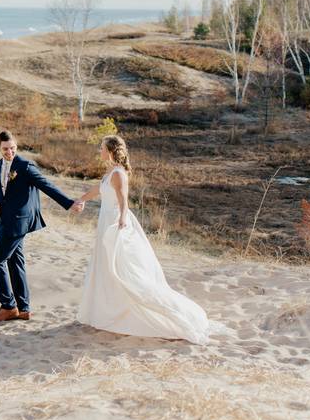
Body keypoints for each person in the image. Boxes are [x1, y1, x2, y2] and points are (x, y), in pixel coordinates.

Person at [74, 135, 214, 344]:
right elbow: (98, 190)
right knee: (106, 267)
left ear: (111, 151)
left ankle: (132, 312)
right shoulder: (108, 172)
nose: (99, 150)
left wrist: (121, 219)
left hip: (115, 223)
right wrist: (81, 199)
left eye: (102, 148)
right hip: (105, 222)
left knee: (121, 269)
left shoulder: (119, 174)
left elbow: (123, 200)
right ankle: (107, 310)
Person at [0, 130, 84, 322]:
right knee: (14, 261)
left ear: (16, 146)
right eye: (5, 149)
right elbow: (2, 192)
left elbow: (46, 185)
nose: (9, 152)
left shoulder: (25, 166)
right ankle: (24, 308)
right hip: (7, 219)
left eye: (12, 148)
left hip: (18, 221)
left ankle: (8, 306)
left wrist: (69, 203)